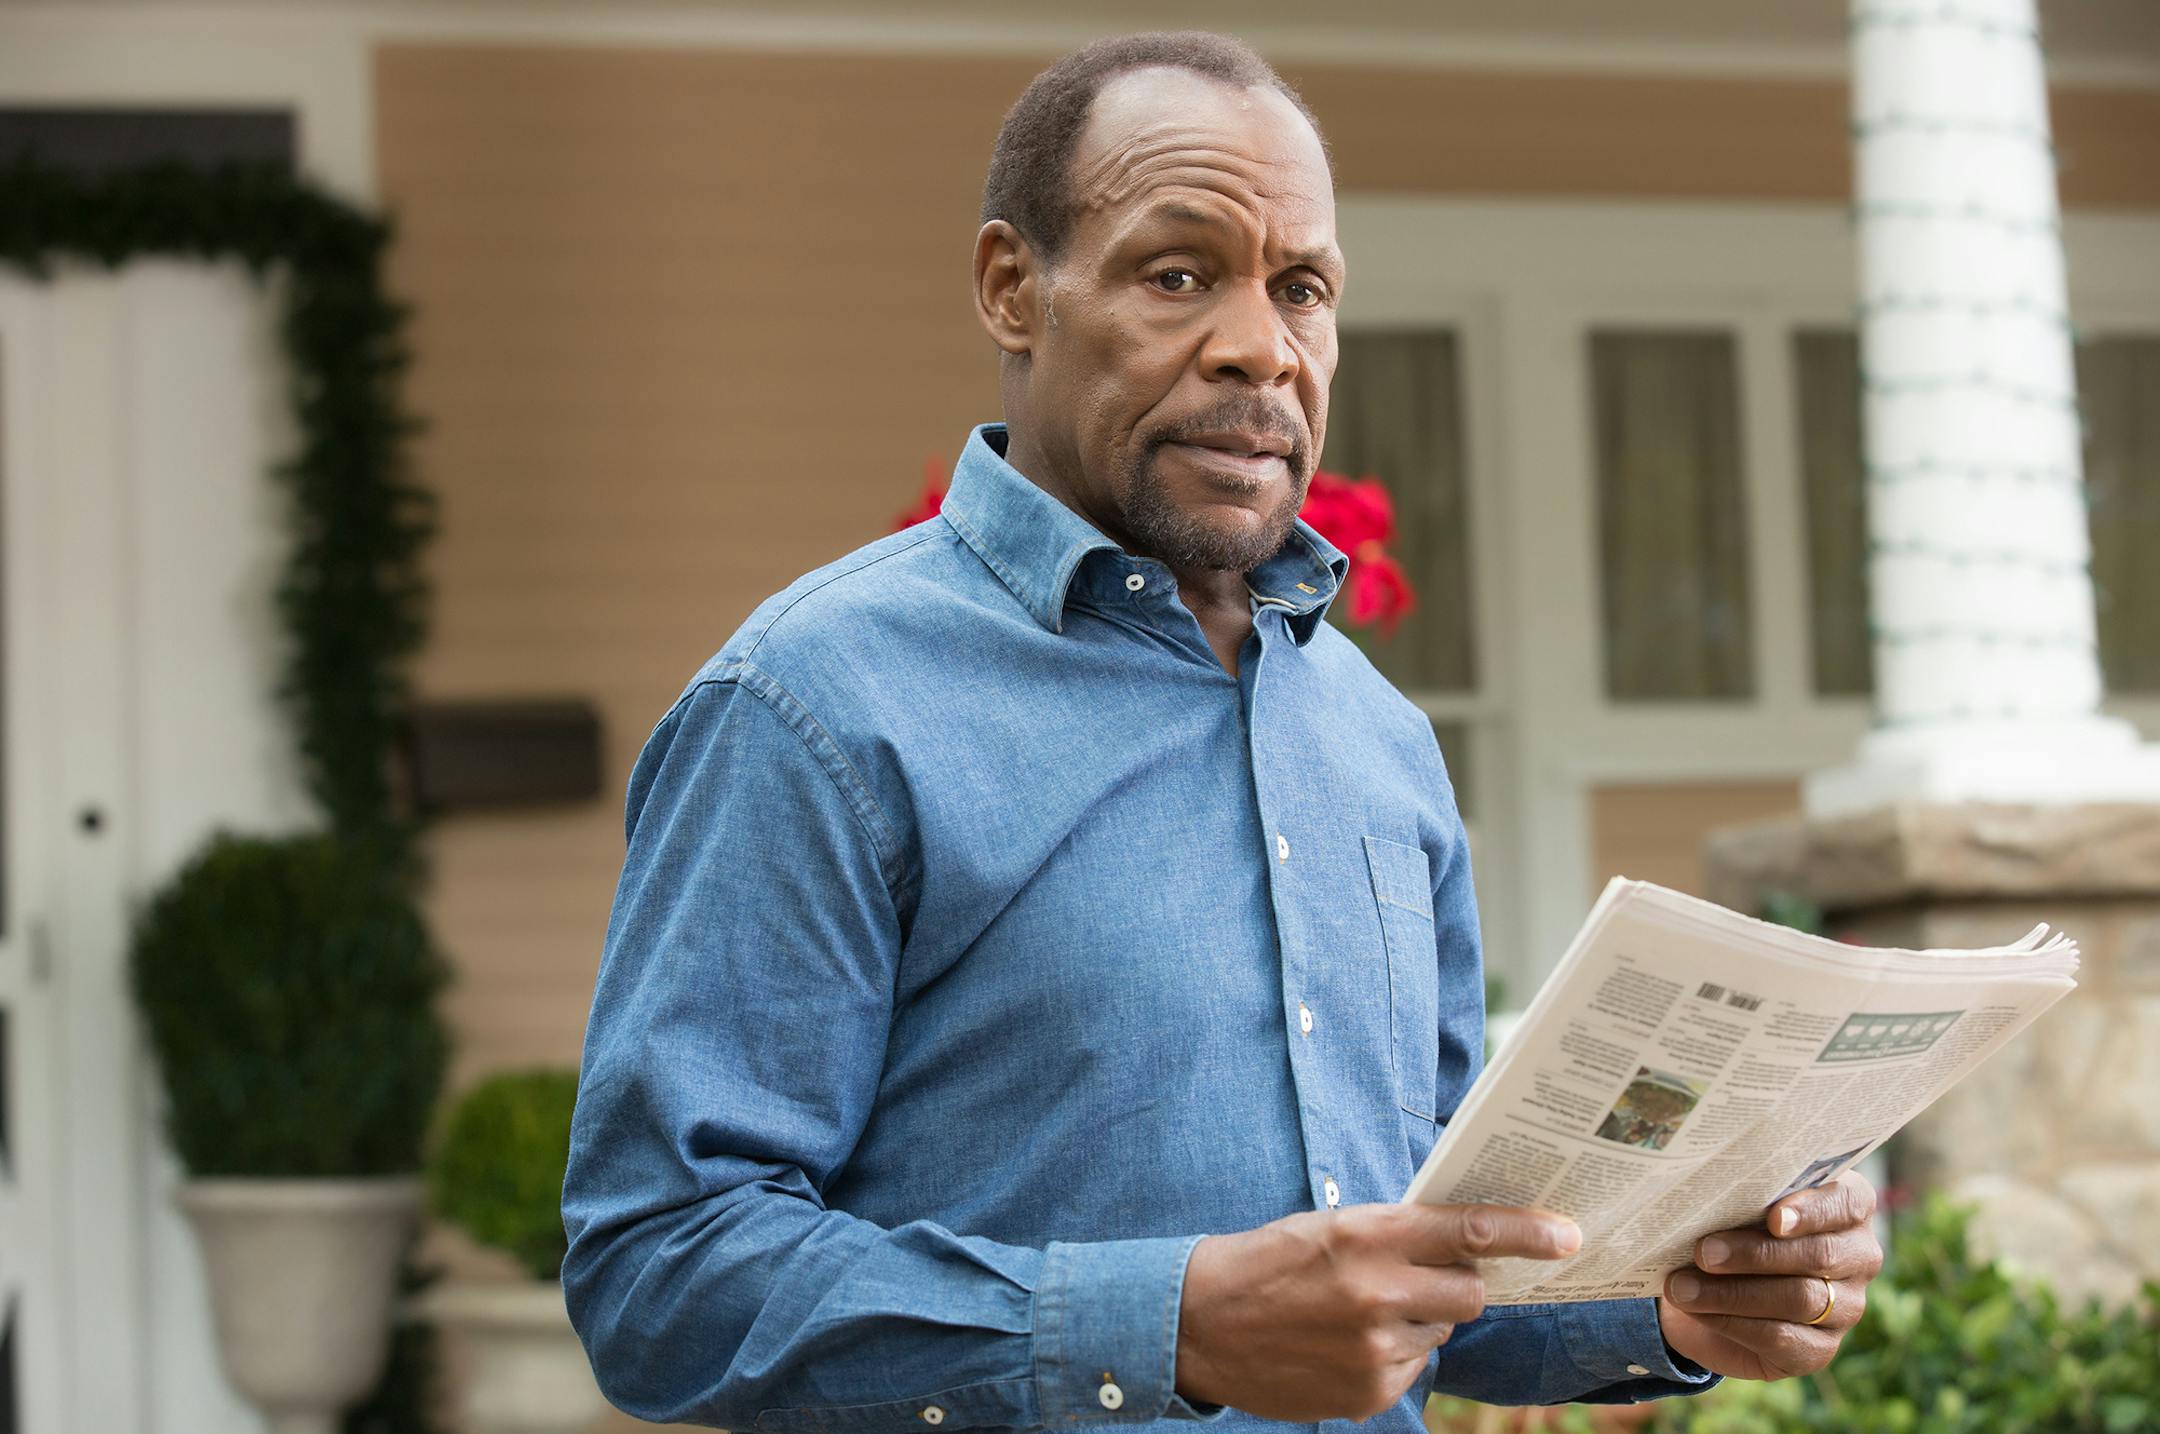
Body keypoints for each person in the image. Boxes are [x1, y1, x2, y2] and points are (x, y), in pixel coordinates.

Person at [561, 30, 1884, 1433]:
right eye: (1179, 274)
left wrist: (1676, 1303)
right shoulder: (815, 706)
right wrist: (1165, 1328)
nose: (1263, 347)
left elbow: (1426, 1261)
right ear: (1013, 289)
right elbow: (660, 1273)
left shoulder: (1378, 739)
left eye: (1302, 289)